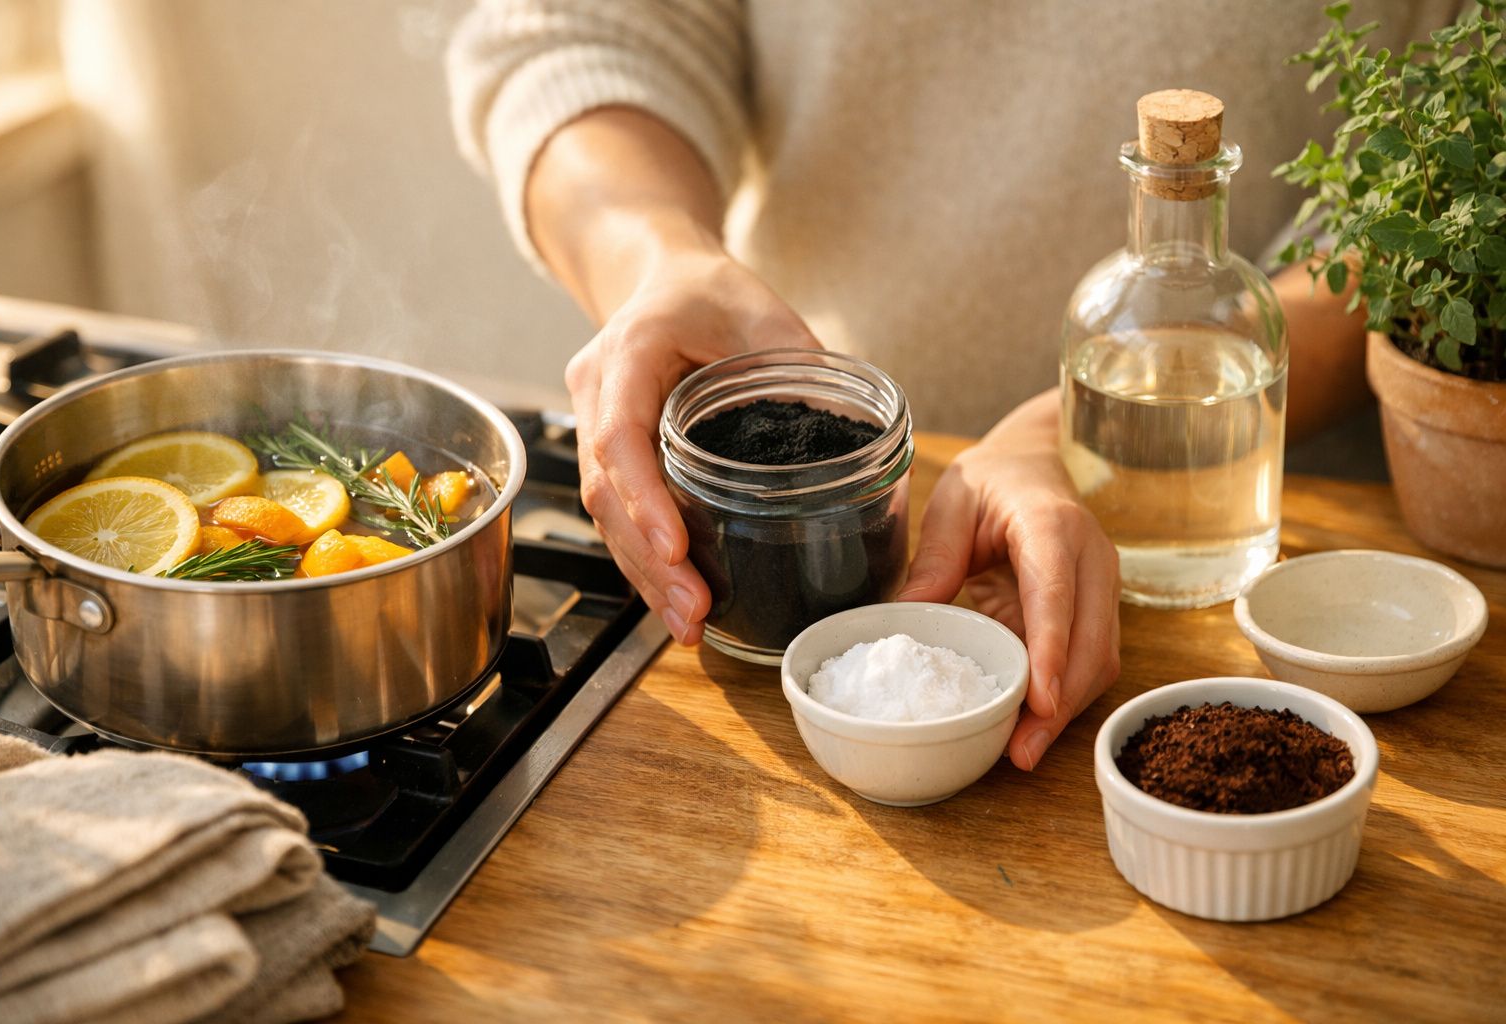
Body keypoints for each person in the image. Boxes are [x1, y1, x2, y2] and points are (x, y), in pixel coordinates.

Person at [446, 0, 1456, 769]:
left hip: (1267, 550)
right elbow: (570, 33)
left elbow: (1438, 198)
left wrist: (1063, 436)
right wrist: (654, 257)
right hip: (848, 432)